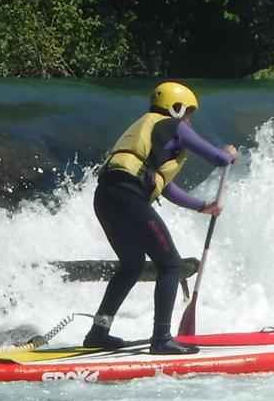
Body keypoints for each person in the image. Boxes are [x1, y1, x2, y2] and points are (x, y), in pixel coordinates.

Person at [85, 82, 239, 354]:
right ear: (176, 108)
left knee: (132, 265)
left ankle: (98, 331)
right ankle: (162, 339)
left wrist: (202, 206)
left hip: (106, 197)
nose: (189, 119)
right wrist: (228, 155)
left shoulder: (148, 132)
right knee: (171, 265)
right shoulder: (174, 126)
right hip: (128, 196)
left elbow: (165, 187)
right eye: (189, 112)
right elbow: (218, 158)